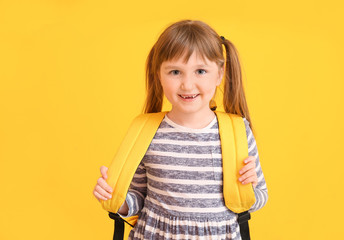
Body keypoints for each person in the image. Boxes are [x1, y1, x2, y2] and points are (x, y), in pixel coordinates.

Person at [93, 20, 268, 240]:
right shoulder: (146, 131)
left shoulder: (237, 132)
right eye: (175, 72)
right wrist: (118, 202)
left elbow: (260, 197)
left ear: (220, 74)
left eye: (201, 71)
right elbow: (138, 196)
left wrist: (249, 189)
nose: (187, 84)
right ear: (159, 74)